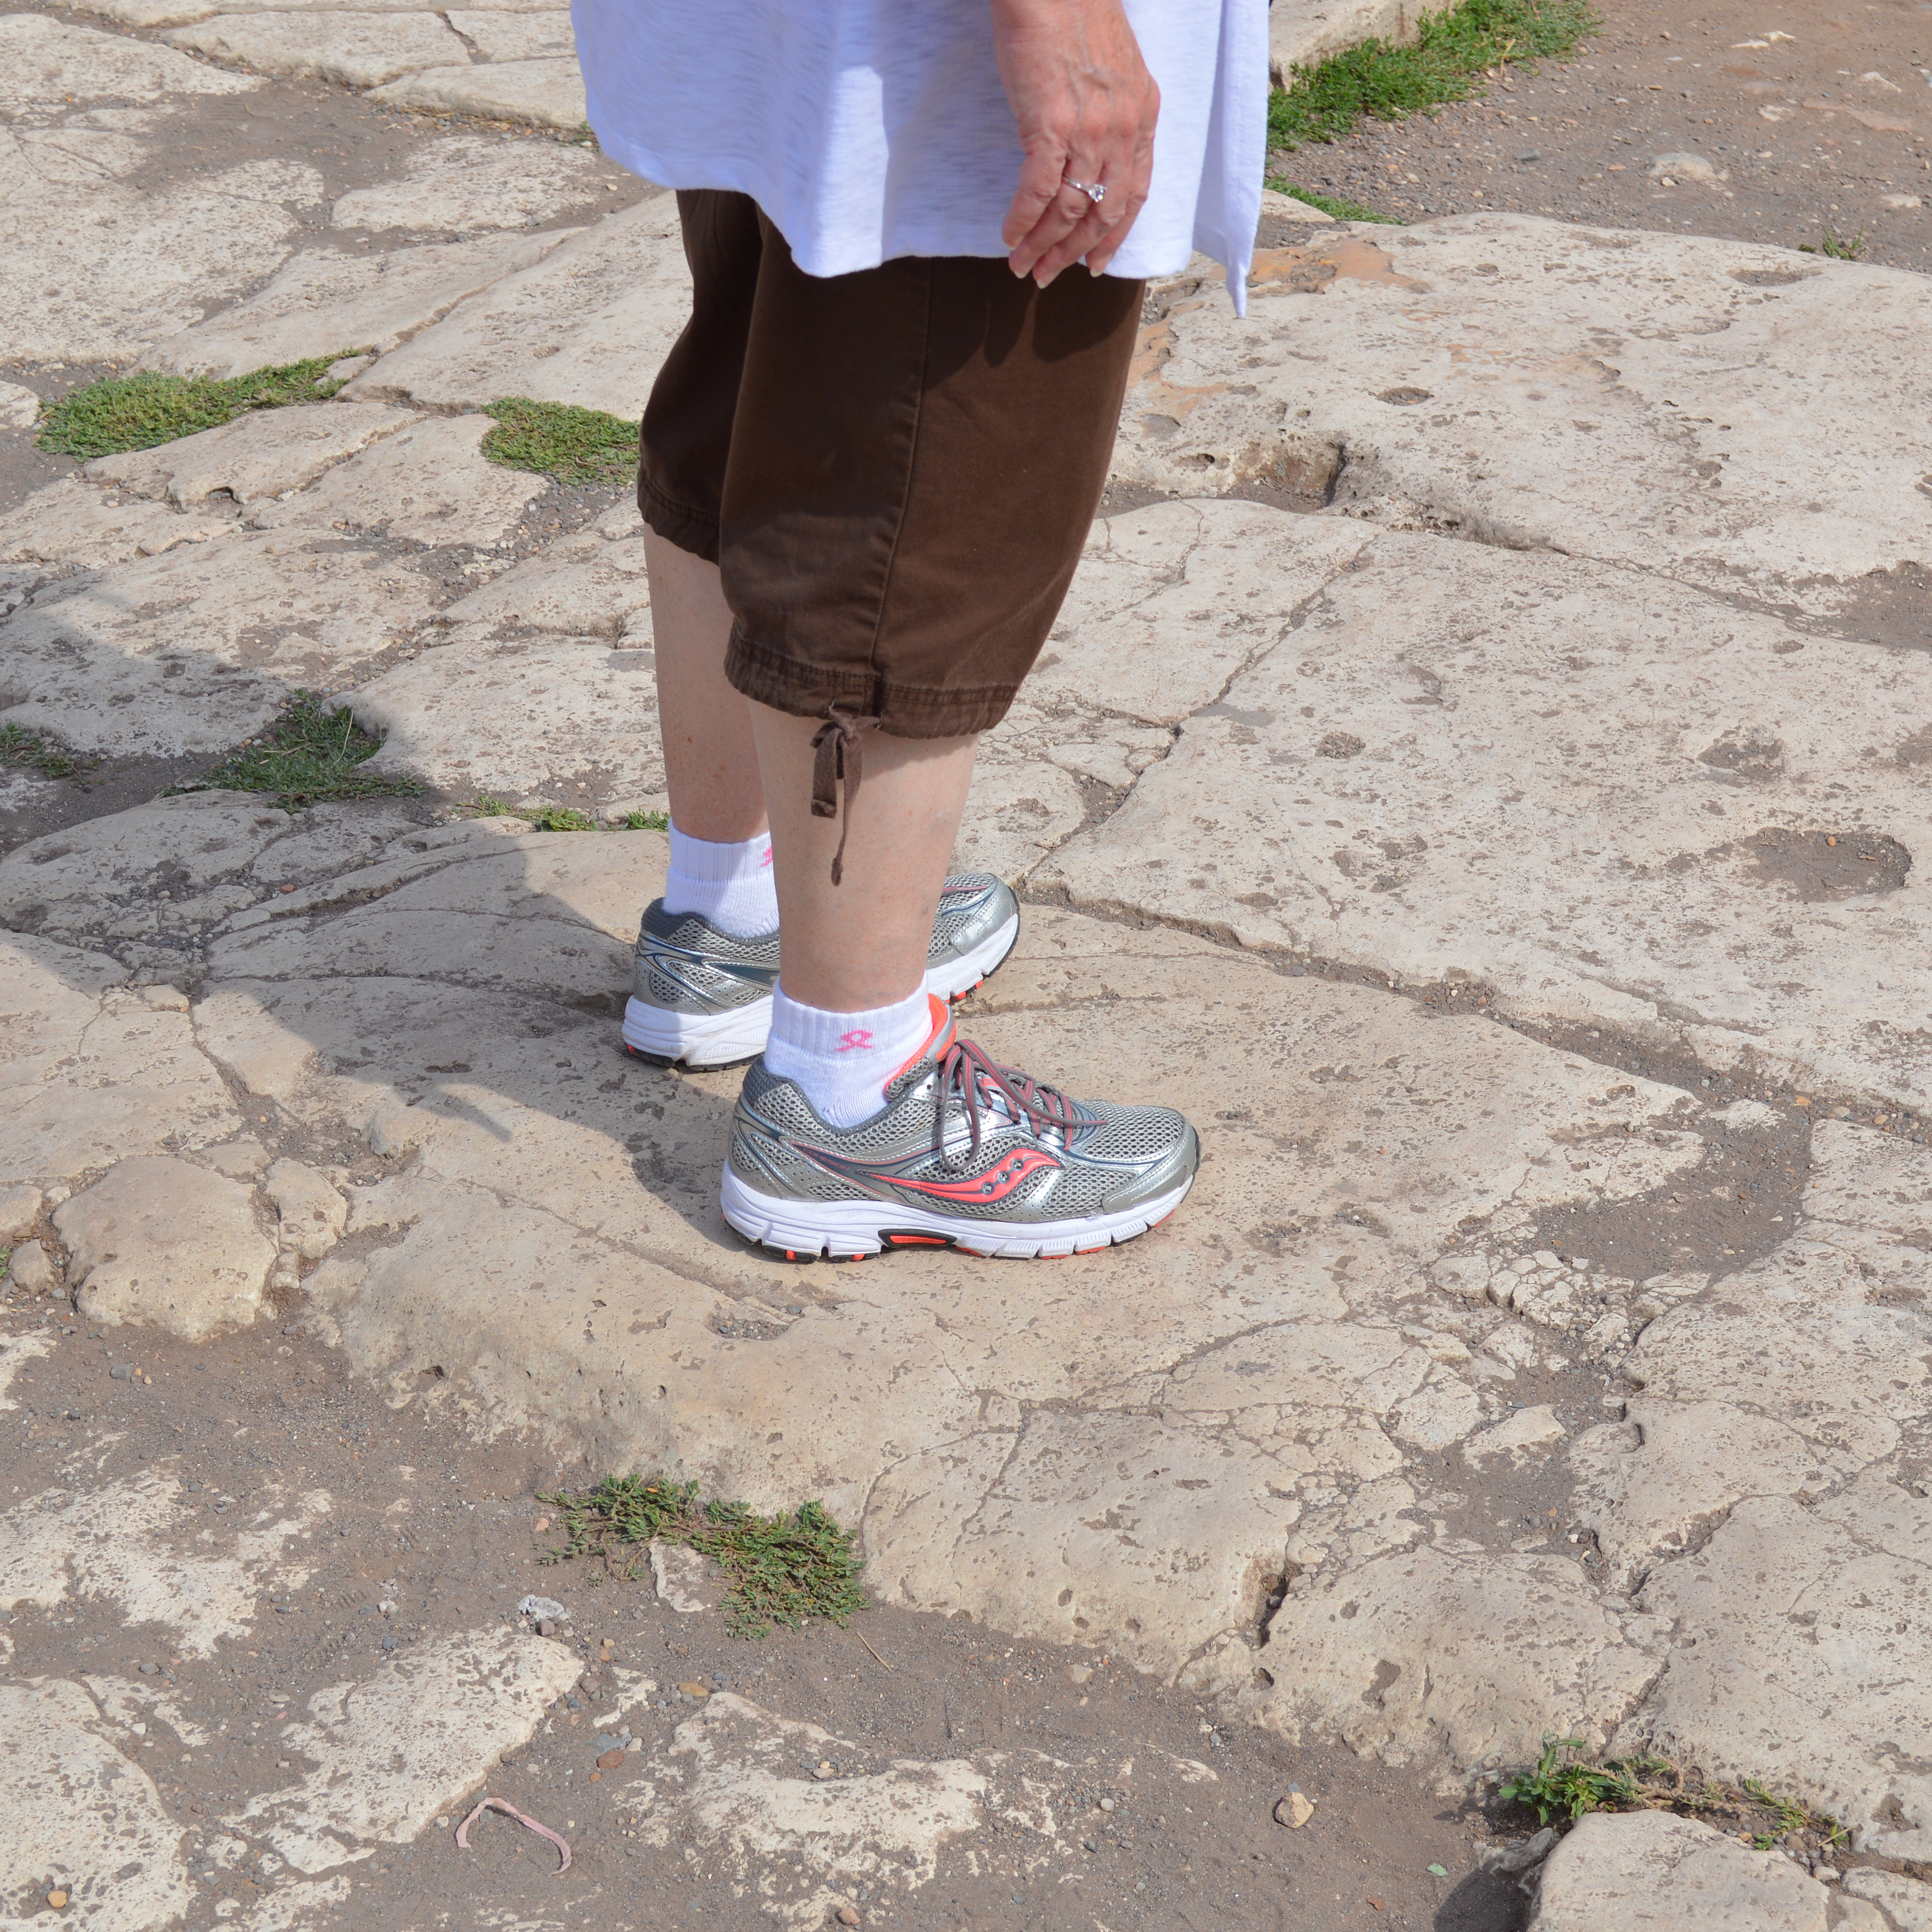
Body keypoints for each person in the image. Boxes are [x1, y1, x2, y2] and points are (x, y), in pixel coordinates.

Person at [570, 0, 1267, 1259]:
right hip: (936, 46)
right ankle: (851, 1088)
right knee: (926, 489)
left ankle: (730, 915)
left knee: (759, 369)